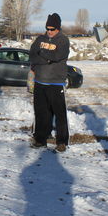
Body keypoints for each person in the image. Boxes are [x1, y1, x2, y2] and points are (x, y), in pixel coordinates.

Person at [28, 13, 70, 153]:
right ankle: (40, 139)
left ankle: (62, 141)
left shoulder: (63, 40)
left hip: (56, 83)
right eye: (47, 28)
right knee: (41, 113)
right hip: (40, 81)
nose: (49, 31)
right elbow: (32, 55)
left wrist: (42, 54)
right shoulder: (40, 38)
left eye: (52, 29)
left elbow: (58, 56)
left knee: (60, 114)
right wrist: (45, 58)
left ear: (58, 28)